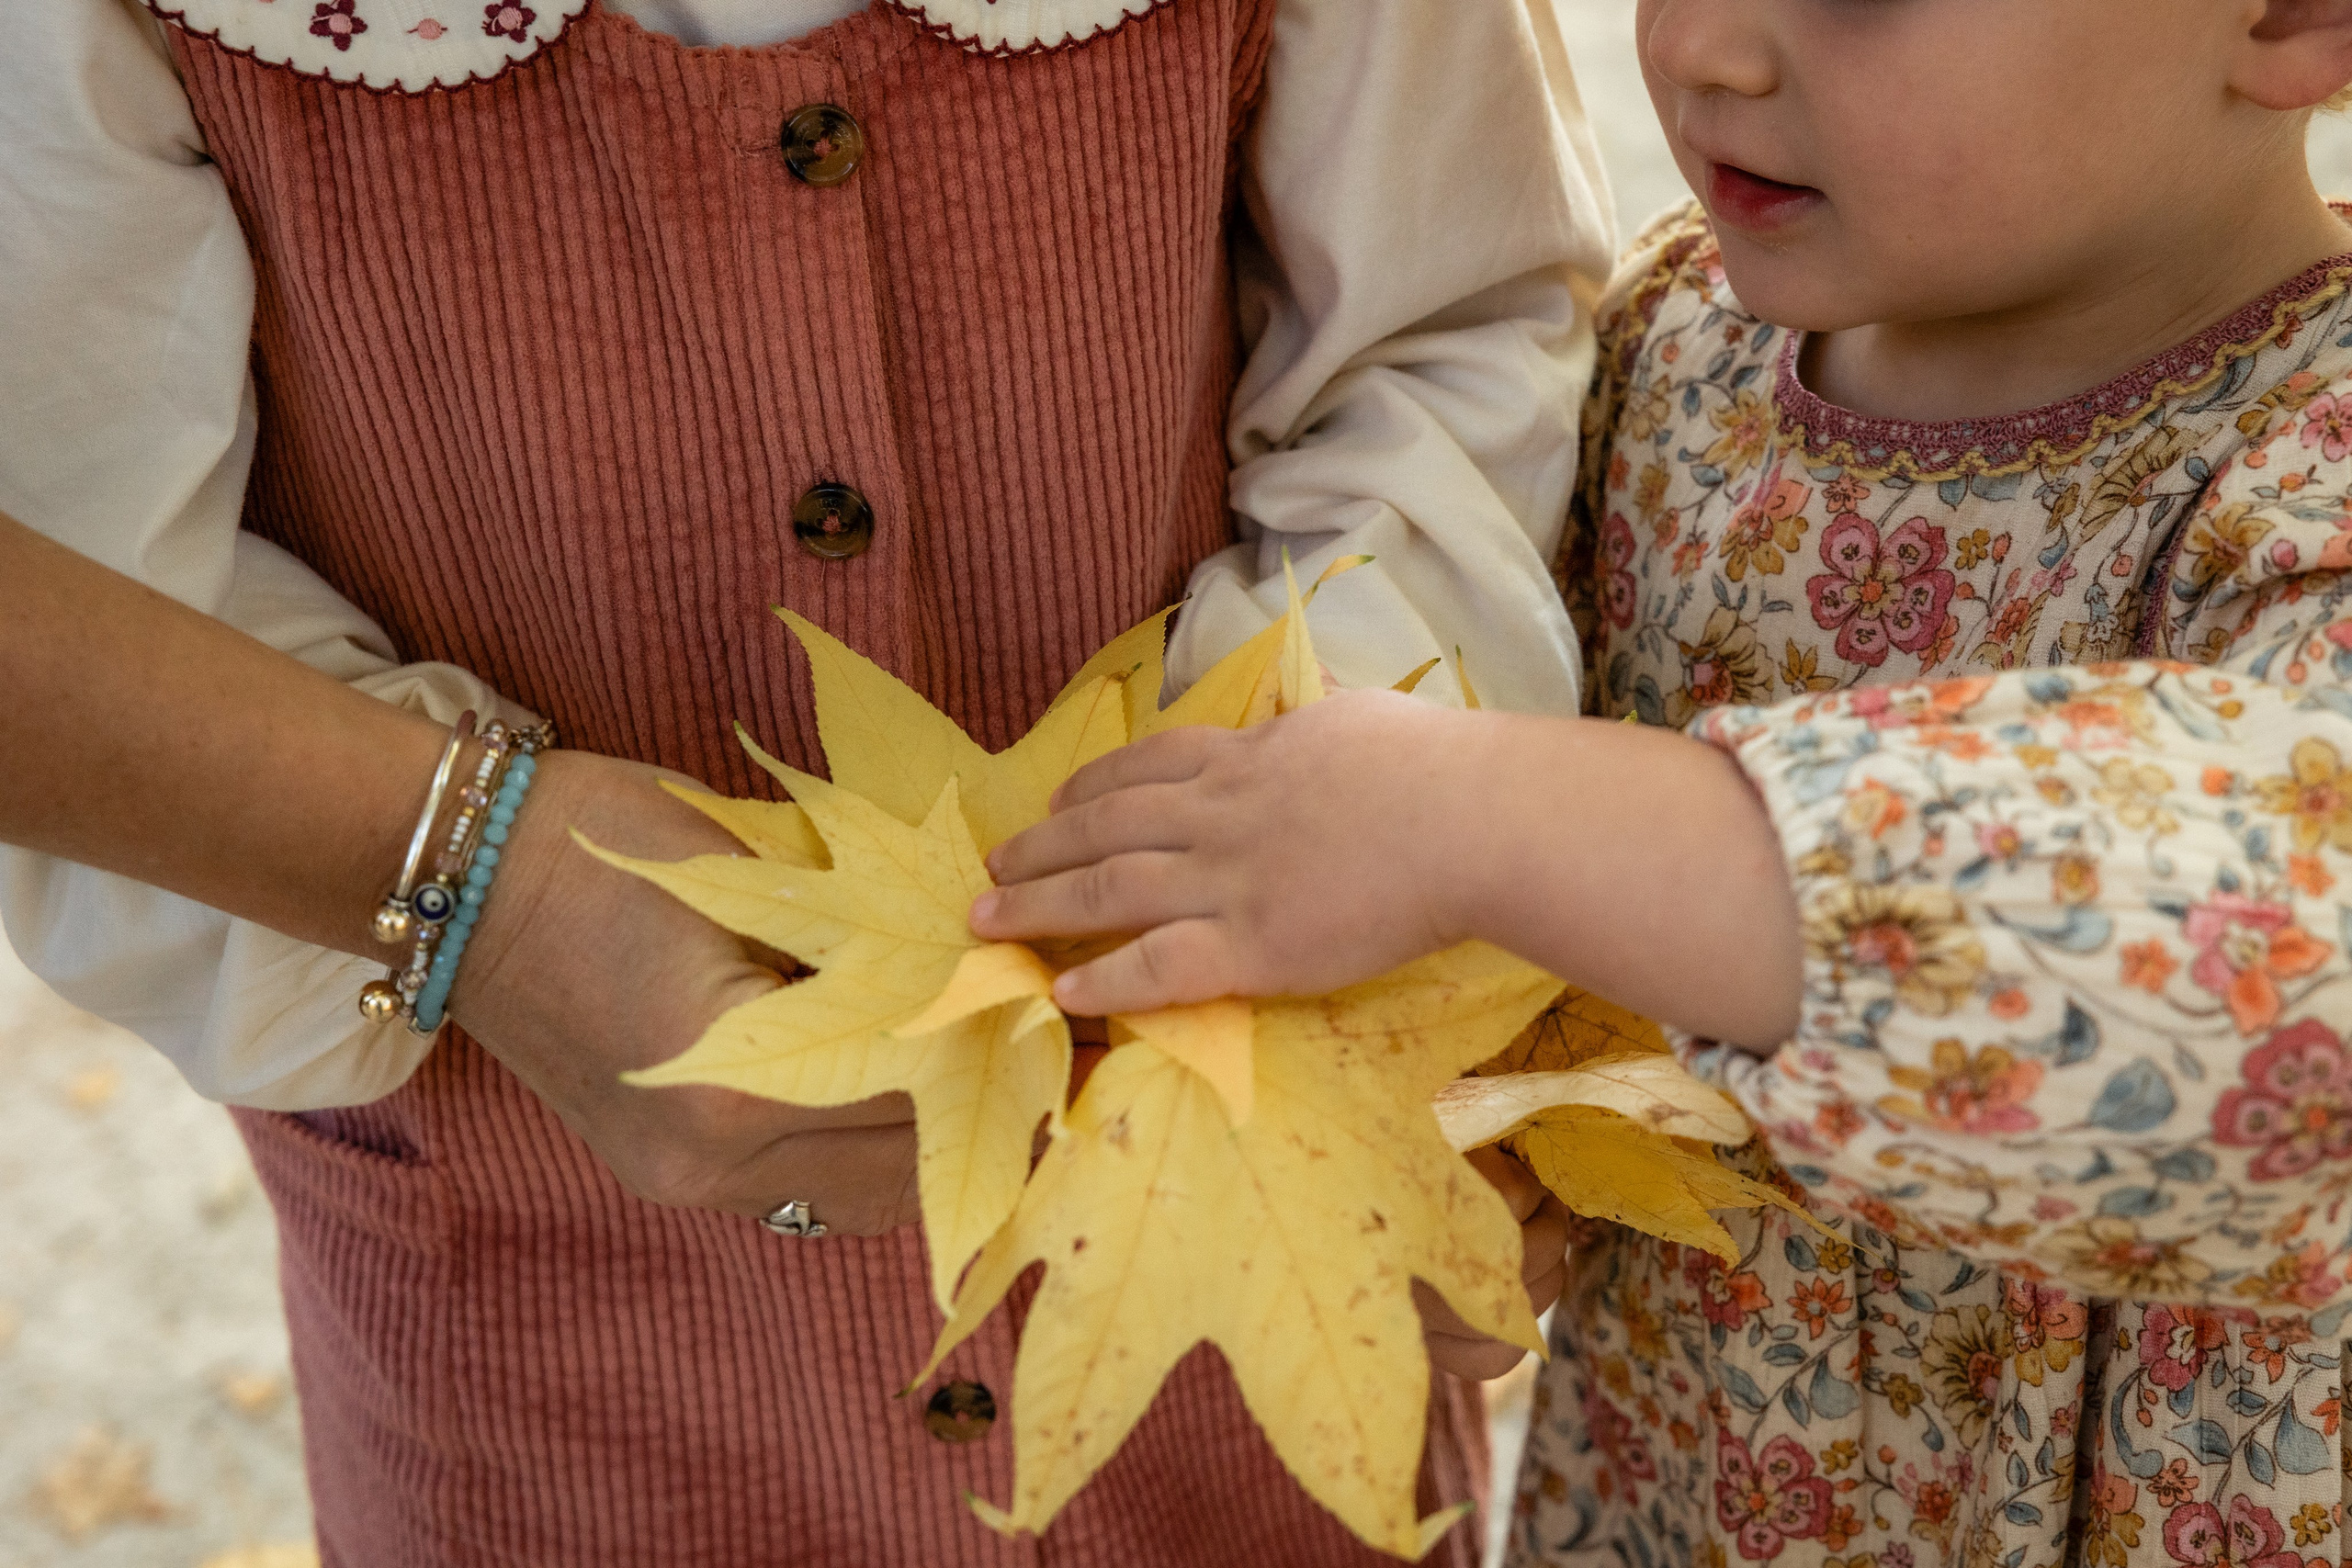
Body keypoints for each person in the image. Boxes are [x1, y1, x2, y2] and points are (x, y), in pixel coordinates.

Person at [0, 0, 1611, 1561]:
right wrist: (473, 886)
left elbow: (1444, 328)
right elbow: (81, 523)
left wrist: (1332, 890)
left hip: (1234, 1355)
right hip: (533, 1374)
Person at [973, 2, 2352, 1565]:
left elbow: (2285, 959)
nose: (1707, 45)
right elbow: (1497, 977)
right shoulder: (1661, 361)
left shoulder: (2307, 489)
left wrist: (1474, 815)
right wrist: (1451, 1150)